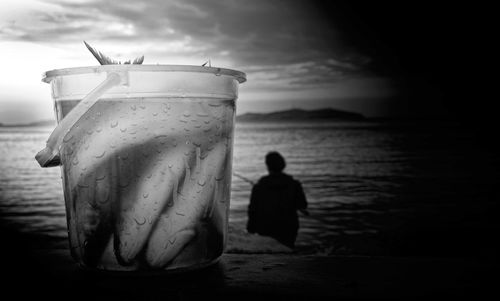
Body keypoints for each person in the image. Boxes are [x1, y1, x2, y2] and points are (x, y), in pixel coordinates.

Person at [246, 151, 308, 248]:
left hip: (265, 227)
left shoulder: (259, 186)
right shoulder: (294, 184)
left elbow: (252, 210)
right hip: (289, 226)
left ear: (267, 165)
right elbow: (303, 205)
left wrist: (250, 229)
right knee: (288, 249)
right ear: (283, 164)